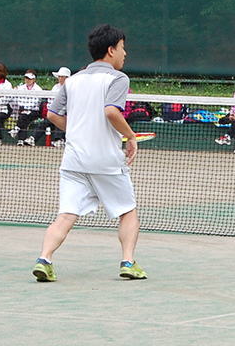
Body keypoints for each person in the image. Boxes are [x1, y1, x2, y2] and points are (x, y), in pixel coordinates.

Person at [33, 24, 146, 282]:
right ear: (110, 50)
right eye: (122, 47)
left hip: (73, 161)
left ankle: (44, 259)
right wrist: (130, 136)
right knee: (128, 211)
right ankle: (128, 261)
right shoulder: (118, 78)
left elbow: (52, 114)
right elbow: (111, 112)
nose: (125, 53)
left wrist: (76, 130)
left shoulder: (72, 80)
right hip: (105, 161)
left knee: (66, 214)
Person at [13, 70, 47, 146]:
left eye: (29, 79)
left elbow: (35, 102)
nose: (27, 80)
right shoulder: (21, 88)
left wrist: (27, 108)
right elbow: (19, 100)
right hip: (23, 111)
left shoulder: (38, 89)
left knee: (24, 116)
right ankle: (21, 139)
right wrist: (24, 108)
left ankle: (17, 131)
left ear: (34, 79)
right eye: (26, 78)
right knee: (24, 116)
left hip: (34, 111)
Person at [49, 67, 71, 146]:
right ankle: (32, 139)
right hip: (55, 112)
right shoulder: (55, 87)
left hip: (68, 112)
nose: (60, 79)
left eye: (62, 77)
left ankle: (60, 140)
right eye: (59, 77)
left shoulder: (70, 87)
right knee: (46, 121)